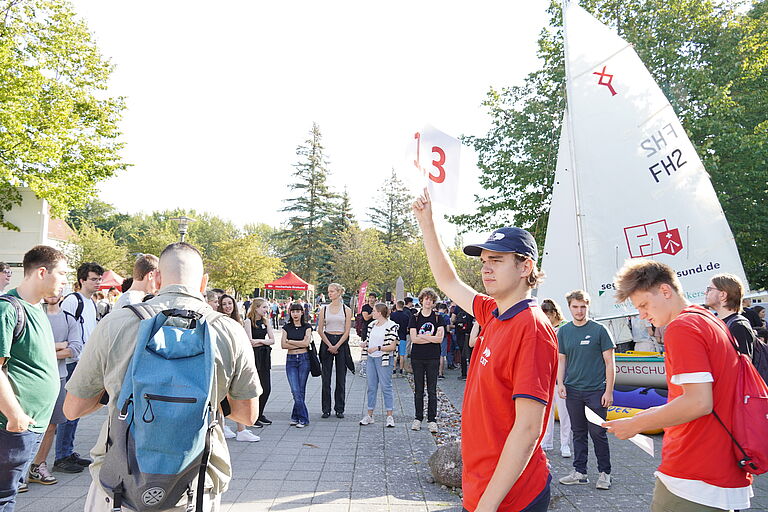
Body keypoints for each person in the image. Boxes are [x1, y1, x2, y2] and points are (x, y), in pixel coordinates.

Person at [63, 242, 260, 511]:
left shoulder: (116, 322)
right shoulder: (229, 330)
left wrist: (116, 390)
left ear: (155, 278)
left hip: (120, 484)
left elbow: (73, 408)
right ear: (203, 283)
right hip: (197, 483)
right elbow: (247, 415)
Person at [413, 190, 558, 512]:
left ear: (525, 267)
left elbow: (528, 429)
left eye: (497, 260)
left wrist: (487, 506)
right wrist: (427, 223)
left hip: (511, 497)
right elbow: (448, 281)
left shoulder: (532, 329)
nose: (486, 268)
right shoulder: (493, 311)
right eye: (483, 261)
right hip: (482, 487)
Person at [605, 259, 754, 511]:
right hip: (721, 463)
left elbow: (698, 402)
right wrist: (650, 414)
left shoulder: (681, 327)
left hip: (694, 471)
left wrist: (635, 424)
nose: (642, 315)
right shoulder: (708, 319)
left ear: (665, 291)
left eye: (643, 305)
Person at [0, 246, 67, 509]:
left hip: (28, 426)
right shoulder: (8, 309)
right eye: (61, 273)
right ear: (42, 272)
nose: (64, 280)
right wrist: (15, 416)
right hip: (11, 427)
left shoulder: (36, 309)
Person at [557, 290, 615, 490]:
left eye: (583, 306)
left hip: (596, 391)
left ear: (588, 307)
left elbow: (610, 363)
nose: (579, 311)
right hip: (573, 391)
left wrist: (609, 391)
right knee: (578, 432)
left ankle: (605, 473)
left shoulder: (600, 330)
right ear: (569, 307)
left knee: (598, 433)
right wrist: (560, 383)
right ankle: (580, 472)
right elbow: (562, 360)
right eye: (575, 307)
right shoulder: (563, 332)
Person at [28, 292, 85, 485]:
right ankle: (20, 470)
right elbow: (28, 347)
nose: (53, 294)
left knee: (51, 425)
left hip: (58, 377)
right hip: (32, 378)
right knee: (27, 425)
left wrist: (45, 350)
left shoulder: (69, 319)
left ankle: (38, 466)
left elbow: (75, 348)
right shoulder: (33, 315)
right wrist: (60, 345)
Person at [56, 262, 103, 474]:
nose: (98, 283)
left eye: (99, 279)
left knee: (76, 411)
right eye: (94, 279)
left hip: (84, 360)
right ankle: (61, 455)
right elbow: (63, 327)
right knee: (70, 409)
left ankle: (68, 451)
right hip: (73, 361)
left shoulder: (91, 302)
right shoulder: (73, 301)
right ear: (82, 280)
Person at [218, 294, 259, 442]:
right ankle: (223, 427)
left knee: (239, 395)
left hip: (237, 363)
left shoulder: (238, 321)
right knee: (222, 397)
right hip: (224, 363)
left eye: (230, 303)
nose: (228, 306)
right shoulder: (217, 321)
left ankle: (242, 430)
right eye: (224, 304)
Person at [408, 288, 445, 433]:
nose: (428, 301)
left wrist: (423, 337)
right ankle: (418, 418)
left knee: (432, 390)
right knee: (418, 390)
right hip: (417, 358)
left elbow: (439, 339)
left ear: (434, 302)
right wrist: (431, 337)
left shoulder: (438, 318)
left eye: (431, 299)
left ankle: (432, 419)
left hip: (433, 358)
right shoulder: (415, 318)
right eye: (426, 298)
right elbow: (414, 339)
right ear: (421, 300)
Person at [540, 298, 572, 458]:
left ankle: (565, 444)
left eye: (548, 316)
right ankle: (547, 440)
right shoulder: (547, 327)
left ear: (553, 313)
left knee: (565, 411)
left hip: (563, 375)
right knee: (548, 409)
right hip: (548, 372)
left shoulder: (566, 327)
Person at [317, 283, 353, 419]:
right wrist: (329, 345)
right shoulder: (324, 309)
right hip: (327, 340)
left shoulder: (346, 310)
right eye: (328, 291)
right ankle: (326, 409)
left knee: (341, 378)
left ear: (339, 293)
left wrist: (337, 345)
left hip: (341, 342)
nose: (329, 294)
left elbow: (347, 330)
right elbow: (320, 329)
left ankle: (339, 408)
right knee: (326, 378)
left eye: (332, 291)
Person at [359, 303, 398, 427]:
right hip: (371, 358)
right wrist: (365, 344)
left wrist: (377, 348)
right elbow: (370, 339)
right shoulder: (372, 325)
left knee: (386, 387)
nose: (372, 313)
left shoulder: (391, 326)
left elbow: (392, 346)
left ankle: (390, 416)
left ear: (380, 313)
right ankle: (369, 415)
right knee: (371, 387)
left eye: (374, 311)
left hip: (384, 359)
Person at [705, 273, 756, 360]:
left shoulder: (739, 326)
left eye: (709, 289)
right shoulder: (713, 321)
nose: (705, 293)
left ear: (723, 295)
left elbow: (744, 367)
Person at [244, 298, 275, 428]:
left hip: (264, 355)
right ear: (256, 308)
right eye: (264, 307)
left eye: (267, 307)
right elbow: (249, 341)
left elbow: (272, 340)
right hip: (254, 356)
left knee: (266, 388)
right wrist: (262, 341)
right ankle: (253, 416)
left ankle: (260, 413)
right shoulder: (248, 322)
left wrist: (260, 342)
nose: (266, 310)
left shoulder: (266, 321)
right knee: (255, 387)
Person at [282, 302, 312, 427]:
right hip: (291, 360)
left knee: (300, 390)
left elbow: (306, 344)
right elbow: (283, 345)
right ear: (290, 313)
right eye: (293, 311)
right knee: (295, 390)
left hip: (304, 359)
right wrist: (298, 342)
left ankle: (296, 417)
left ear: (302, 313)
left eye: (297, 311)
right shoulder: (286, 327)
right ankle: (303, 417)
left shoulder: (307, 327)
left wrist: (291, 341)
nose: (295, 314)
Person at [451, 304, 474, 380]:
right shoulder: (471, 305)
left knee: (462, 353)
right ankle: (472, 373)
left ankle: (464, 374)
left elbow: (453, 319)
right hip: (470, 333)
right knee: (471, 353)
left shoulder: (458, 307)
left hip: (460, 334)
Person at [390, 300, 411, 376]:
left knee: (395, 354)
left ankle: (394, 369)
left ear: (396, 306)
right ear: (403, 306)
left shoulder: (392, 315)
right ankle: (401, 370)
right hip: (403, 336)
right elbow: (408, 328)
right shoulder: (406, 316)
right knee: (402, 354)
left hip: (394, 337)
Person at [437, 303, 452, 378]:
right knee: (442, 355)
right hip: (443, 337)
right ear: (445, 309)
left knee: (436, 354)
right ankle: (440, 373)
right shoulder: (446, 317)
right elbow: (448, 329)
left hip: (435, 337)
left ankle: (435, 371)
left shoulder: (435, 315)